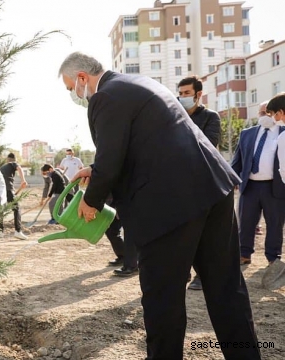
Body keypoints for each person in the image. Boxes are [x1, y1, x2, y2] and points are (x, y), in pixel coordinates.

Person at [59, 52, 260, 359]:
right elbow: (141, 147)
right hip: (212, 188)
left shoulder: (105, 97)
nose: (73, 95)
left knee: (162, 299)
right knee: (226, 288)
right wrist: (95, 169)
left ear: (83, 78)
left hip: (170, 206)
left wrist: (91, 200)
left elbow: (111, 160)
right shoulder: (138, 83)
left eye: (70, 87)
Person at [177, 75, 222, 291]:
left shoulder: (211, 117)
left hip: (203, 183)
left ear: (198, 94)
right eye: (181, 93)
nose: (182, 97)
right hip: (179, 183)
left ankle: (201, 275)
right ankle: (182, 272)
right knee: (179, 231)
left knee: (201, 233)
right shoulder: (174, 116)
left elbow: (209, 144)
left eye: (187, 93)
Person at [232, 97, 285, 266]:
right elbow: (237, 160)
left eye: (269, 112)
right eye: (262, 112)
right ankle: (244, 253)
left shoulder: (282, 133)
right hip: (250, 186)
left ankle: (273, 257)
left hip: (274, 186)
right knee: (246, 222)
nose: (265, 116)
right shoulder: (247, 133)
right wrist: (231, 178)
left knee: (275, 223)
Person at [104, 196, 138, 276]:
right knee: (110, 230)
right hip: (111, 201)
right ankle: (123, 255)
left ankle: (132, 265)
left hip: (126, 199)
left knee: (129, 230)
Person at [0, 153, 28, 240]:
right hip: (8, 189)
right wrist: (23, 180)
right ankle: (18, 231)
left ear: (7, 159)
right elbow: (19, 168)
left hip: (0, 190)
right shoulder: (13, 163)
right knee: (17, 209)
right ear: (14, 159)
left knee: (1, 210)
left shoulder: (2, 167)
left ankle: (0, 231)